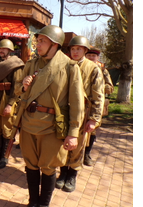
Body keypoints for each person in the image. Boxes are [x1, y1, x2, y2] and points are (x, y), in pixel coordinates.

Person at [14, 25, 85, 207]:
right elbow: (17, 91)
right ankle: (33, 202)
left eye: (42, 41)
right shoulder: (31, 64)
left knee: (48, 166)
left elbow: (77, 103)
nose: (38, 44)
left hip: (52, 126)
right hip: (29, 123)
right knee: (30, 165)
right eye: (37, 41)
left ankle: (44, 204)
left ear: (55, 44)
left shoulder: (69, 67)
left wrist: (73, 132)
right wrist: (23, 86)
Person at [55, 36, 104, 192]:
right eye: (73, 49)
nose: (75, 52)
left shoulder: (93, 68)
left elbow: (98, 95)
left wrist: (93, 119)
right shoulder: (64, 65)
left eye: (78, 49)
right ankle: (62, 173)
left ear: (85, 50)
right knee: (63, 143)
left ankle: (72, 175)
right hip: (64, 111)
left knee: (78, 146)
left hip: (83, 112)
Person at [0, 39, 24, 169]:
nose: (1, 50)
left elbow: (17, 87)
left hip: (7, 100)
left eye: (4, 48)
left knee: (7, 130)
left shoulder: (16, 64)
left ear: (10, 50)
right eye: (0, 49)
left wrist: (10, 104)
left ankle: (4, 157)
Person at [84, 46, 114, 166]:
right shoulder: (82, 67)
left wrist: (99, 85)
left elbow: (110, 88)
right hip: (82, 105)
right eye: (89, 55)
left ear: (97, 57)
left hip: (95, 105)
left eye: (93, 56)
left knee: (92, 131)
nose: (91, 58)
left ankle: (87, 154)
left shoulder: (103, 71)